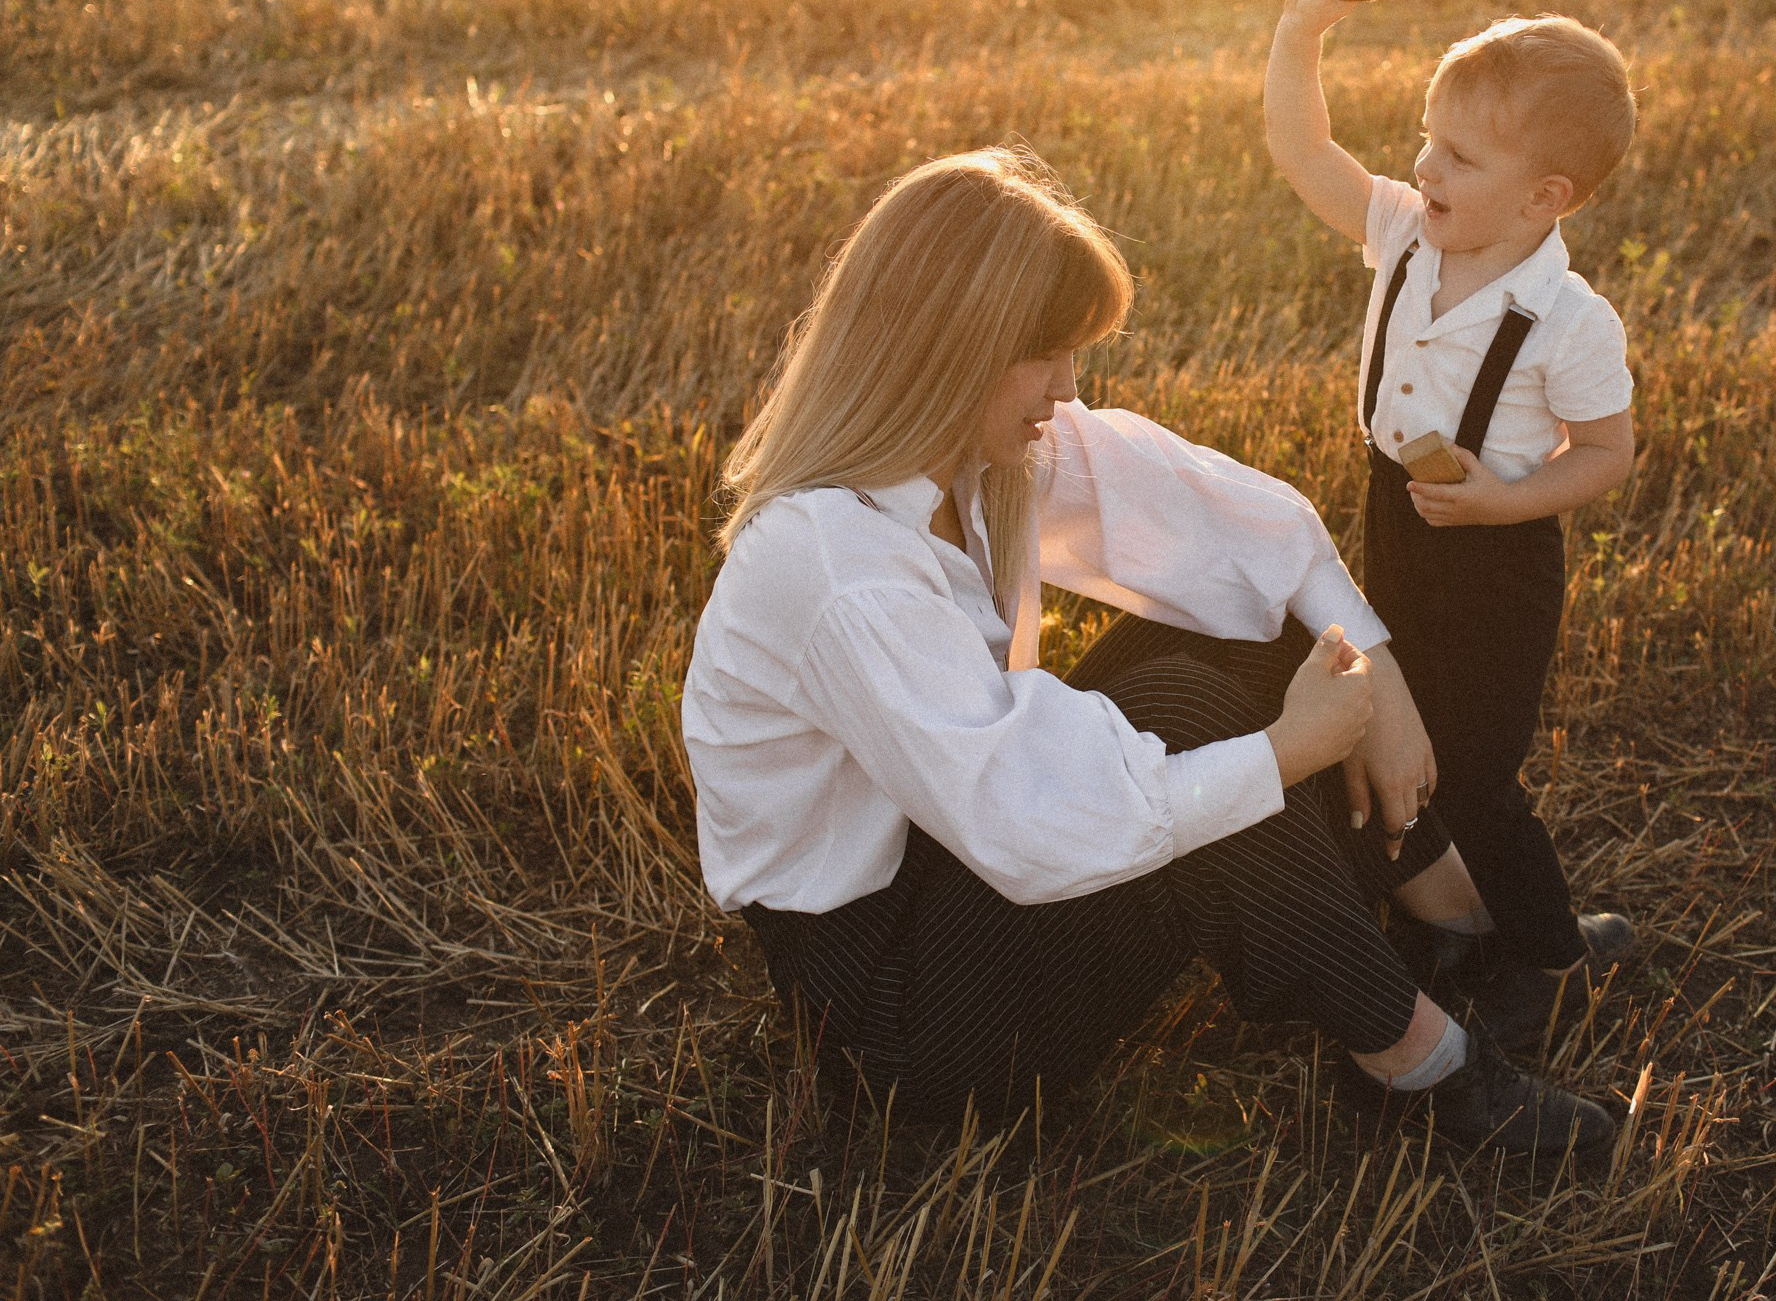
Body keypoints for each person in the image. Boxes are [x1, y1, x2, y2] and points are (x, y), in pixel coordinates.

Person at [679, 146, 1615, 1158]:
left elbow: (1253, 530)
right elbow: (1023, 819)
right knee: (1181, 717)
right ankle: (1430, 1072)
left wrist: (1375, 676)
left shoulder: (975, 460)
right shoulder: (836, 565)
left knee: (1238, 616)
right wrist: (1288, 751)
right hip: (890, 1014)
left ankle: (1452, 915)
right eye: (1042, 353)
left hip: (952, 864)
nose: (1068, 384)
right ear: (944, 345)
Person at [1263, 0, 1642, 1046]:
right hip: (1398, 515)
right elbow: (1303, 151)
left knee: (1475, 769)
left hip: (1499, 554)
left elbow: (1609, 452)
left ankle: (1551, 953)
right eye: (1427, 136)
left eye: (1460, 155)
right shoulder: (1402, 230)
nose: (1424, 163)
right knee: (1393, 729)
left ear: (1545, 198)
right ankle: (1449, 918)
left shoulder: (1569, 319)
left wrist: (1508, 500)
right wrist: (1303, 35)